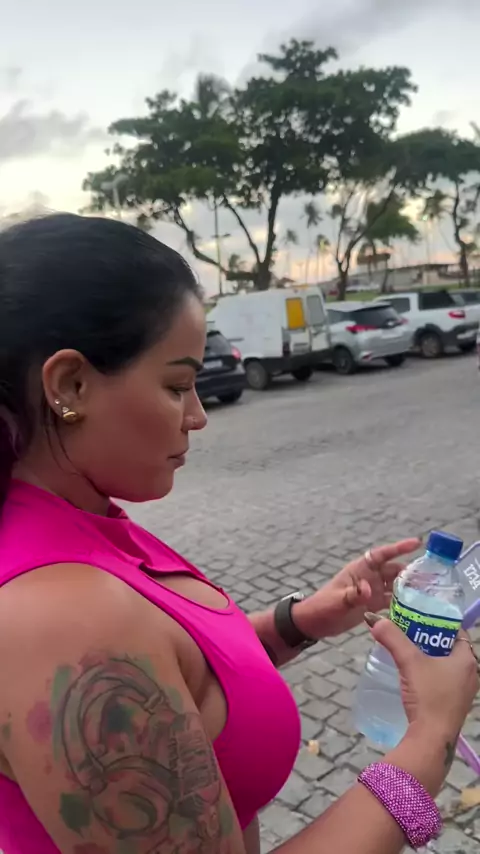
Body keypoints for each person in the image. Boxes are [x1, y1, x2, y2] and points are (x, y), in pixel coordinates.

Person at [0, 213, 476, 854]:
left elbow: (179, 671)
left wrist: (299, 620)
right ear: (70, 385)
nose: (198, 416)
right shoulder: (60, 618)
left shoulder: (83, 521)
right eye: (177, 385)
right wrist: (432, 736)